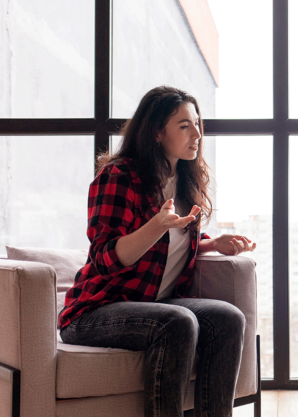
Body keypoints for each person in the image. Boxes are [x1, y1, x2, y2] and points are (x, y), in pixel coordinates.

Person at [59, 86, 257, 417]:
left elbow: (171, 243)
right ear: (156, 131)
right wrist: (156, 226)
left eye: (197, 123)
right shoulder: (118, 176)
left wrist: (210, 243)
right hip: (94, 312)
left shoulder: (184, 180)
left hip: (153, 304)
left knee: (228, 318)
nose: (197, 133)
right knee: (177, 321)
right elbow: (105, 258)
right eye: (184, 126)